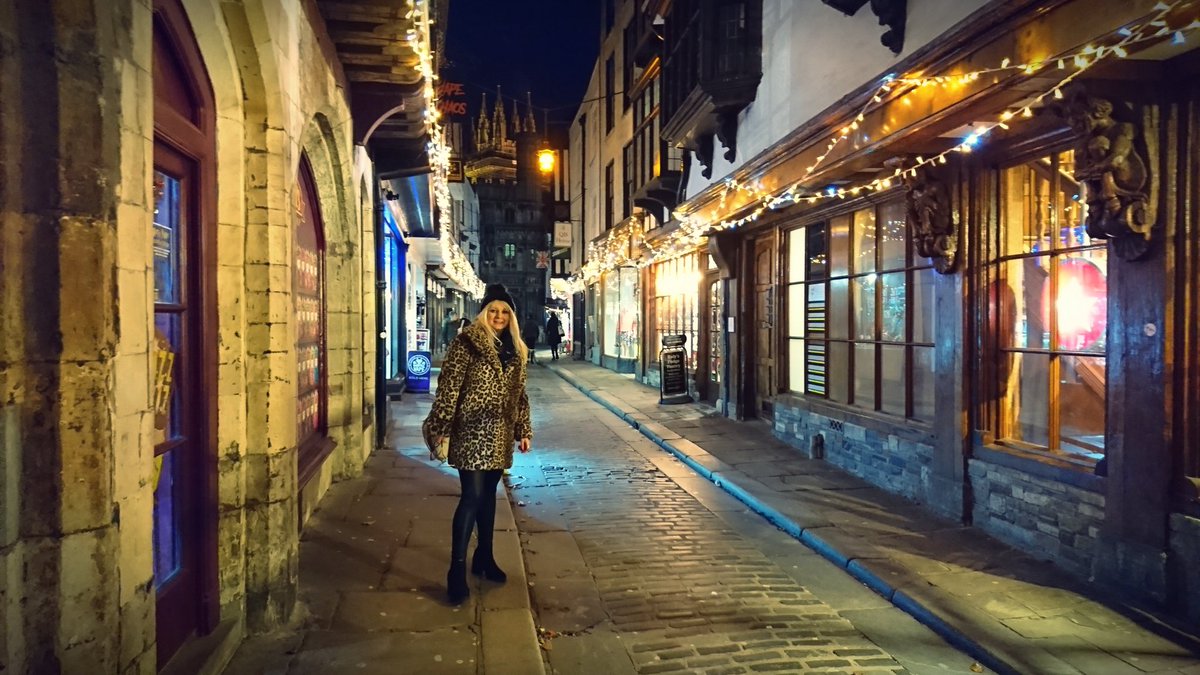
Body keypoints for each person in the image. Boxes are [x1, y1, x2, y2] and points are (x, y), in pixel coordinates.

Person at [423, 283, 533, 604]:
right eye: (493, 310)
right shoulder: (466, 343)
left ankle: (484, 558)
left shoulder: (516, 349)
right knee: (470, 496)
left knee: (488, 497)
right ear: (484, 313)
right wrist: (441, 425)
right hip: (470, 432)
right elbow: (449, 387)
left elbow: (520, 395)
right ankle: (456, 571)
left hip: (499, 434)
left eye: (504, 311)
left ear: (510, 316)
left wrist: (523, 429)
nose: (499, 316)